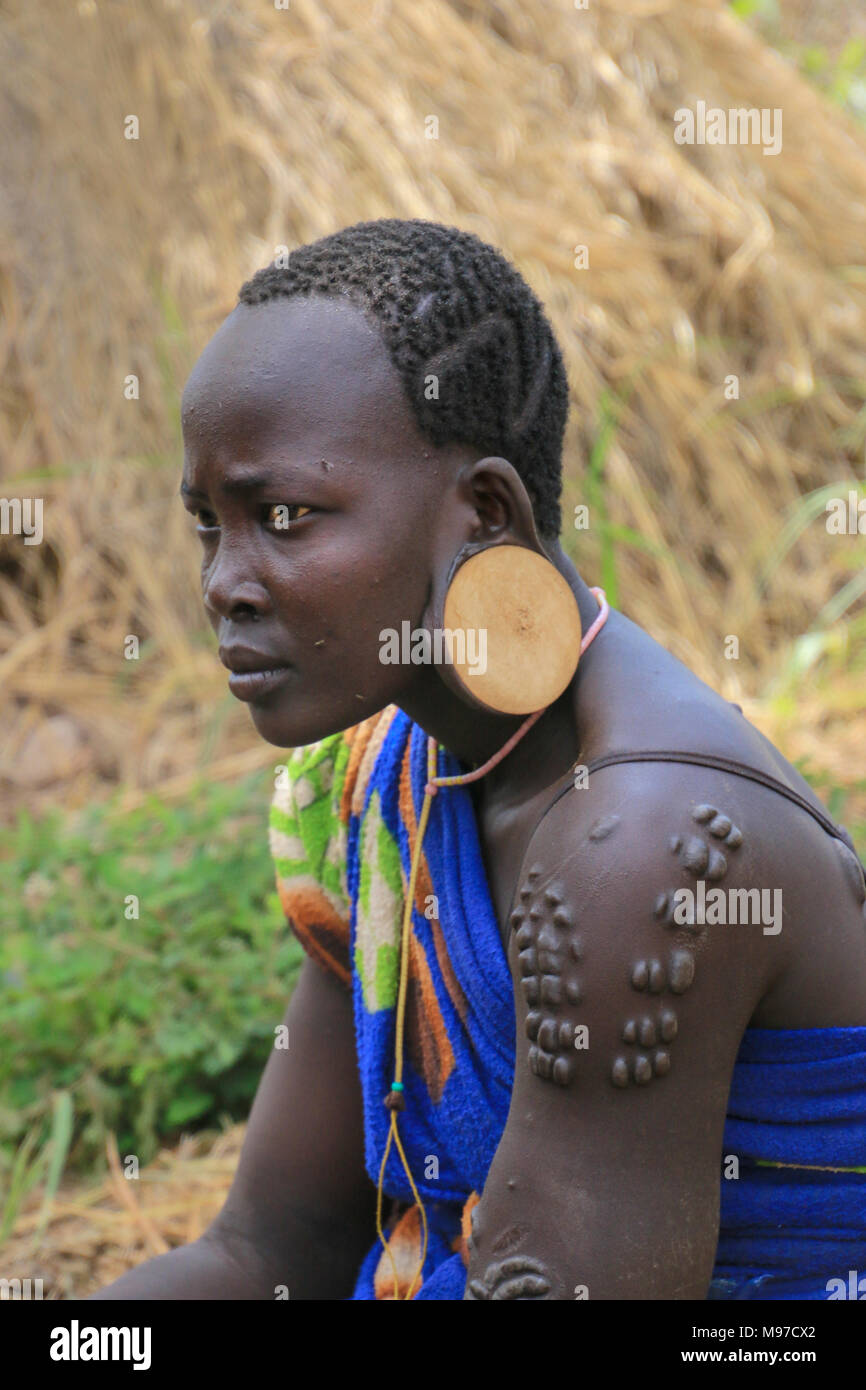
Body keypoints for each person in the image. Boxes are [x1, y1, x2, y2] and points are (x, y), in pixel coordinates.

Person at [94, 218, 866, 1301]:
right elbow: (273, 1251)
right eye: (208, 525)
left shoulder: (644, 843)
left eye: (284, 515)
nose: (227, 579)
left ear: (483, 512)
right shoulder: (378, 781)